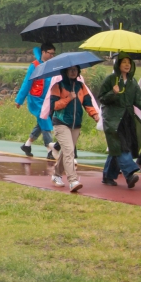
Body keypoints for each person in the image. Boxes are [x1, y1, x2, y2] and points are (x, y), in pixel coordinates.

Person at [98, 53, 141, 189]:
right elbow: (102, 98)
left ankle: (108, 176)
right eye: (123, 62)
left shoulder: (132, 82)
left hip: (127, 118)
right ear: (118, 65)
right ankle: (129, 174)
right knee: (120, 146)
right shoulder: (110, 79)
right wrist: (113, 93)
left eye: (129, 62)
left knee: (118, 147)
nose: (127, 65)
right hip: (113, 119)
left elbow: (140, 99)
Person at [47, 65, 101, 193]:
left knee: (66, 152)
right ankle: (73, 181)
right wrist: (68, 98)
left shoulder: (81, 86)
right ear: (65, 71)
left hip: (76, 124)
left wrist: (95, 115)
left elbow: (87, 103)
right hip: (61, 122)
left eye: (75, 70)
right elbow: (54, 105)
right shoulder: (58, 86)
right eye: (70, 69)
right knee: (69, 151)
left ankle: (56, 175)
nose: (73, 72)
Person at [16, 43, 56, 158]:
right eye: (50, 53)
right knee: (45, 121)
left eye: (54, 54)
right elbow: (27, 83)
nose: (52, 56)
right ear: (43, 52)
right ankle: (50, 149)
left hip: (47, 99)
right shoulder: (34, 65)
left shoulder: (52, 66)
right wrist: (19, 100)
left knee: (41, 122)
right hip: (36, 99)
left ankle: (27, 145)